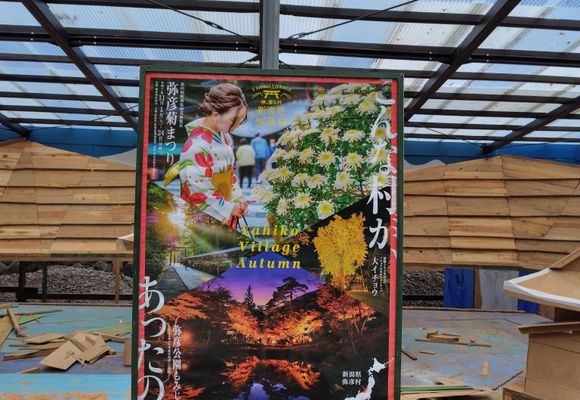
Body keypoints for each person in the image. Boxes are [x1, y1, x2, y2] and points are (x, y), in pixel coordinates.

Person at [177, 83, 249, 228]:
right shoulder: (196, 146)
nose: (237, 126)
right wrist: (228, 208)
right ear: (215, 115)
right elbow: (196, 188)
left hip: (225, 209)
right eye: (233, 120)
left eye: (239, 121)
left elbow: (230, 175)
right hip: (204, 218)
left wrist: (238, 200)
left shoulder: (225, 137)